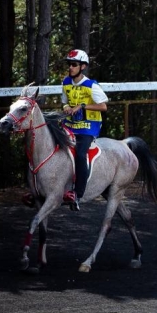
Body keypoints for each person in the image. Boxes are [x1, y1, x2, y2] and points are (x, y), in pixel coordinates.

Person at [61, 49, 109, 210]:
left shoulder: (91, 85)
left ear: (82, 67)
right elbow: (64, 102)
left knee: (81, 154)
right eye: (69, 64)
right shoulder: (66, 82)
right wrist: (67, 107)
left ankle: (77, 194)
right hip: (69, 125)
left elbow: (103, 106)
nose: (70, 68)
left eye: (74, 65)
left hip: (88, 127)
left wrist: (82, 106)